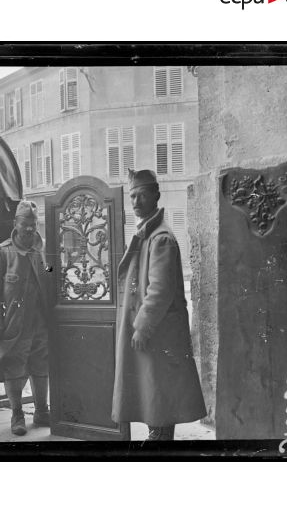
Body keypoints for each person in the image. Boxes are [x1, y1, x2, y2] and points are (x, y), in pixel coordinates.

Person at [112, 170, 206, 440]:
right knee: (155, 388)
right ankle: (158, 434)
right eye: (132, 196)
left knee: (161, 389)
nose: (136, 201)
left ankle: (160, 438)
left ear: (156, 195)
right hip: (158, 328)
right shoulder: (149, 233)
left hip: (159, 329)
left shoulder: (161, 238)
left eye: (142, 194)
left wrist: (141, 327)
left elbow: (160, 291)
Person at [0, 200, 50, 436]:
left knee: (41, 366)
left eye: (33, 224)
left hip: (41, 321)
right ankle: (17, 414)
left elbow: (50, 274)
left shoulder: (42, 248)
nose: (29, 229)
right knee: (14, 368)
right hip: (15, 323)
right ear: (15, 224)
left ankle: (41, 411)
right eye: (25, 224)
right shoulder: (3, 252)